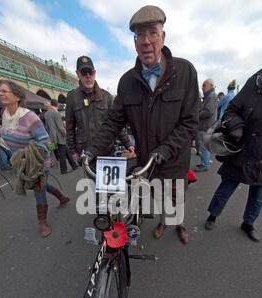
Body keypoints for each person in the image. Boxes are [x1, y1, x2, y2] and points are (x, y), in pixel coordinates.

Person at [83, 5, 199, 244]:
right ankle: (163, 221)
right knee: (154, 198)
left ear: (163, 37)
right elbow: (113, 122)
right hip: (146, 161)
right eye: (140, 36)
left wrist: (164, 151)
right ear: (135, 43)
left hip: (174, 160)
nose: (146, 41)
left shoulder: (185, 71)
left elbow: (190, 123)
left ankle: (178, 223)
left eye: (153, 33)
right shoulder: (127, 82)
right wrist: (92, 150)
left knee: (175, 198)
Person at [205, 42, 262, 242]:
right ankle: (212, 215)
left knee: (259, 196)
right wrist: (236, 126)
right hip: (244, 148)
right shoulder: (256, 81)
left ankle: (248, 224)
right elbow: (232, 109)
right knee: (226, 187)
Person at [0, 80, 70, 238]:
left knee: (38, 190)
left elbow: (45, 141)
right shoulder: (4, 115)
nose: (0, 93)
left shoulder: (30, 117)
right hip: (22, 164)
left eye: (4, 91)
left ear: (16, 96)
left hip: (38, 162)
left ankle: (42, 222)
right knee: (43, 186)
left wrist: (39, 154)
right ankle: (62, 197)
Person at [66, 56, 133, 162]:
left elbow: (117, 123)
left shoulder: (106, 97)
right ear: (78, 74)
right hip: (85, 151)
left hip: (106, 150)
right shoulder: (72, 98)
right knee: (89, 179)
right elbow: (70, 128)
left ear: (95, 73)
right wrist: (73, 151)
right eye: (84, 72)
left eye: (90, 72)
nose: (88, 76)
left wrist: (128, 144)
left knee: (109, 178)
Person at [44, 99, 78, 174]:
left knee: (65, 150)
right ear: (58, 105)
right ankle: (64, 169)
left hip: (52, 137)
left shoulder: (46, 114)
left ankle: (74, 165)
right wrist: (65, 134)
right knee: (63, 153)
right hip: (59, 136)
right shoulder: (56, 113)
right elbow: (60, 127)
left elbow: (47, 127)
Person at [195, 79, 218, 172]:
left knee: (204, 147)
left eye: (204, 85)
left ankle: (205, 165)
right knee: (204, 147)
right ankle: (204, 163)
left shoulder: (212, 96)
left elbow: (208, 112)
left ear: (211, 86)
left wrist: (196, 114)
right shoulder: (210, 96)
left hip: (206, 126)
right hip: (206, 125)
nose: (202, 87)